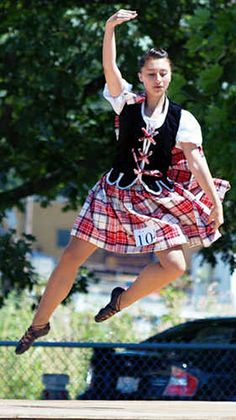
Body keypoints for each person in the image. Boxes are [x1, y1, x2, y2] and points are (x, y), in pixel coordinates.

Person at [15, 10, 230, 355]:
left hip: (152, 200)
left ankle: (120, 300)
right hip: (113, 192)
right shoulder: (127, 102)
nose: (158, 79)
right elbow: (110, 71)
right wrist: (109, 30)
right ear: (141, 77)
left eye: (163, 73)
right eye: (151, 74)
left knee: (175, 266)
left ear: (170, 76)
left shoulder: (183, 119)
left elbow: (196, 162)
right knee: (72, 255)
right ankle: (39, 324)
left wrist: (215, 205)